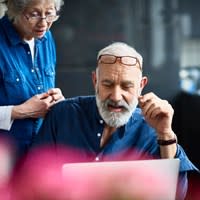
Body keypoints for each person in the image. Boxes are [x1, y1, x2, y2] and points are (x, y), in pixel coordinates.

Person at [32, 42, 198, 199]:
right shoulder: (62, 115)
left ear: (141, 85)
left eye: (126, 86)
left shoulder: (151, 126)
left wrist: (165, 133)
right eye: (107, 84)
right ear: (95, 81)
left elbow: (176, 194)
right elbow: (32, 178)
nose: (116, 97)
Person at [0, 0, 65, 159]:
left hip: (40, 155)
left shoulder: (46, 37)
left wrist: (56, 101)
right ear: (15, 10)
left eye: (49, 13)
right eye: (34, 14)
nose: (43, 23)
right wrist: (20, 112)